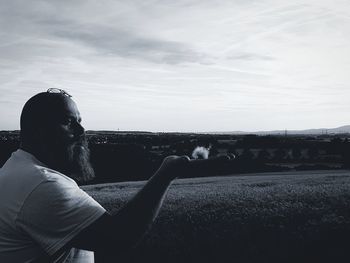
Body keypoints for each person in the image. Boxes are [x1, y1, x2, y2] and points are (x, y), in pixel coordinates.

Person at [0, 89, 191, 262]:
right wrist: (166, 173)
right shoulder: (42, 184)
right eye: (68, 122)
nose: (81, 130)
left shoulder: (16, 170)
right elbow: (119, 238)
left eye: (79, 121)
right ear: (38, 130)